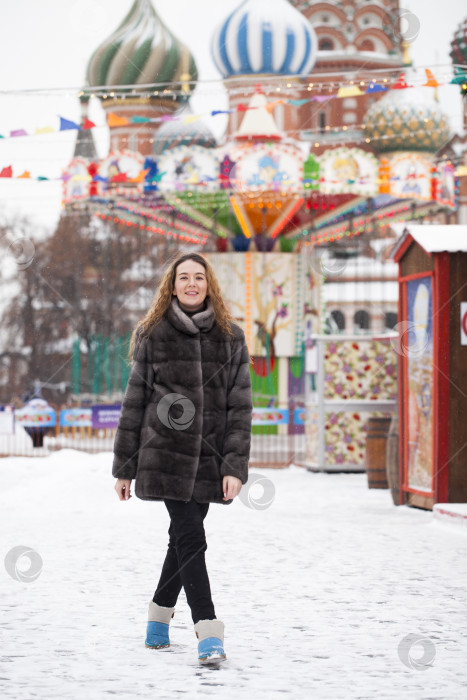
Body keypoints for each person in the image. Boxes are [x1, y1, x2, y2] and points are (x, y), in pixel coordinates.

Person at [112, 252, 253, 664]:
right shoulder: (154, 335)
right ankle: (208, 630)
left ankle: (158, 618)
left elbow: (240, 409)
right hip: (165, 456)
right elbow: (134, 402)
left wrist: (234, 466)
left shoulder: (231, 338)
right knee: (192, 536)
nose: (191, 283)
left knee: (181, 540)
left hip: (210, 460)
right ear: (171, 286)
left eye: (199, 277)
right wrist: (125, 466)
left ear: (209, 285)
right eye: (183, 278)